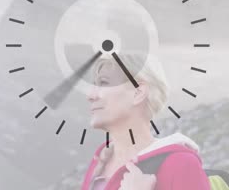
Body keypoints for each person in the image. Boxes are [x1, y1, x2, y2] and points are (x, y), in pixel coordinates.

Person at [81, 53, 210, 190]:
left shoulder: (181, 164)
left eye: (104, 83)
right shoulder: (100, 163)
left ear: (138, 93)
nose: (90, 96)